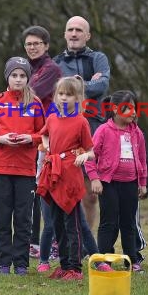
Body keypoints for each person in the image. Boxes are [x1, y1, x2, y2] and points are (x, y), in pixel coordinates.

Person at [53, 15, 110, 251]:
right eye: (70, 30)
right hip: (64, 129)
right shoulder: (55, 63)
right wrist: (87, 84)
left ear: (88, 36)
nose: (74, 33)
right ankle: (63, 244)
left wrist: (76, 84)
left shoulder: (98, 58)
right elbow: (56, 92)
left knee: (90, 194)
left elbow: (103, 85)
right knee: (61, 191)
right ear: (65, 34)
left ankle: (86, 247)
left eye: (79, 30)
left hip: (93, 128)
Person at [0, 57, 45, 275]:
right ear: (7, 77)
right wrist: (0, 139)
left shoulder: (35, 103)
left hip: (26, 170)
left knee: (23, 219)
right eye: (14, 75)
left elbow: (43, 134)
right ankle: (3, 263)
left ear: (27, 78)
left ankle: (21, 264)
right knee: (1, 218)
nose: (18, 79)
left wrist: (31, 139)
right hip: (1, 169)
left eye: (22, 76)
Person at [37, 76, 95, 281]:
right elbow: (43, 134)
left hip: (71, 176)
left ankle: (75, 268)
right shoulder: (51, 119)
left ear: (77, 98)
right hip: (53, 175)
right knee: (57, 224)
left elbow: (91, 151)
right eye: (61, 94)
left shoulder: (81, 121)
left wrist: (83, 155)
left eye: (69, 95)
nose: (64, 98)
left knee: (73, 225)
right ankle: (63, 265)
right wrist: (48, 146)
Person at [85, 90, 148, 272]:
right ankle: (103, 260)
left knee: (128, 223)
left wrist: (142, 183)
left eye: (134, 108)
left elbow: (143, 160)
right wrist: (95, 179)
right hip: (108, 184)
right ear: (114, 109)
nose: (133, 112)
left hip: (130, 183)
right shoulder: (103, 131)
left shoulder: (138, 133)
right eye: (128, 108)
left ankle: (132, 260)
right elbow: (90, 157)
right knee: (109, 222)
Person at [22, 25, 62, 271]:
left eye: (37, 43)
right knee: (36, 189)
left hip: (49, 138)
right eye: (28, 44)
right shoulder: (28, 69)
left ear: (46, 46)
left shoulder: (50, 69)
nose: (32, 47)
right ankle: (37, 243)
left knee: (48, 188)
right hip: (32, 136)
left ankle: (56, 241)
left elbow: (27, 96)